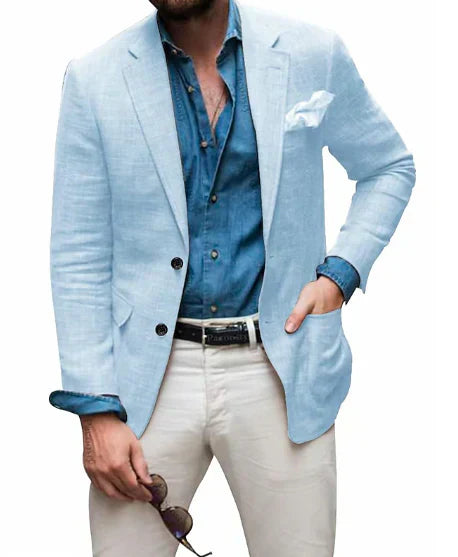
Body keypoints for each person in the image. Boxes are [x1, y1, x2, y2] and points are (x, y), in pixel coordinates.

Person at [48, 0, 416, 555]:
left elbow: (387, 166)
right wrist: (95, 410)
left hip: (281, 365)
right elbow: (79, 251)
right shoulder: (94, 77)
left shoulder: (312, 52)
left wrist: (338, 275)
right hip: (143, 378)